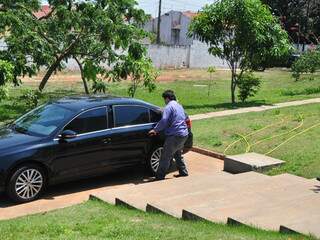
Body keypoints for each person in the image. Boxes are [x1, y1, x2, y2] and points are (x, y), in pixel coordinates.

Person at [149, 90, 189, 180]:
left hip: (174, 135)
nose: (164, 101)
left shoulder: (169, 107)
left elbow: (164, 120)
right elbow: (185, 117)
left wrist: (155, 130)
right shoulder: (179, 106)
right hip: (184, 134)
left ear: (167, 98)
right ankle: (183, 172)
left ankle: (159, 176)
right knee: (178, 154)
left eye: (164, 99)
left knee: (165, 156)